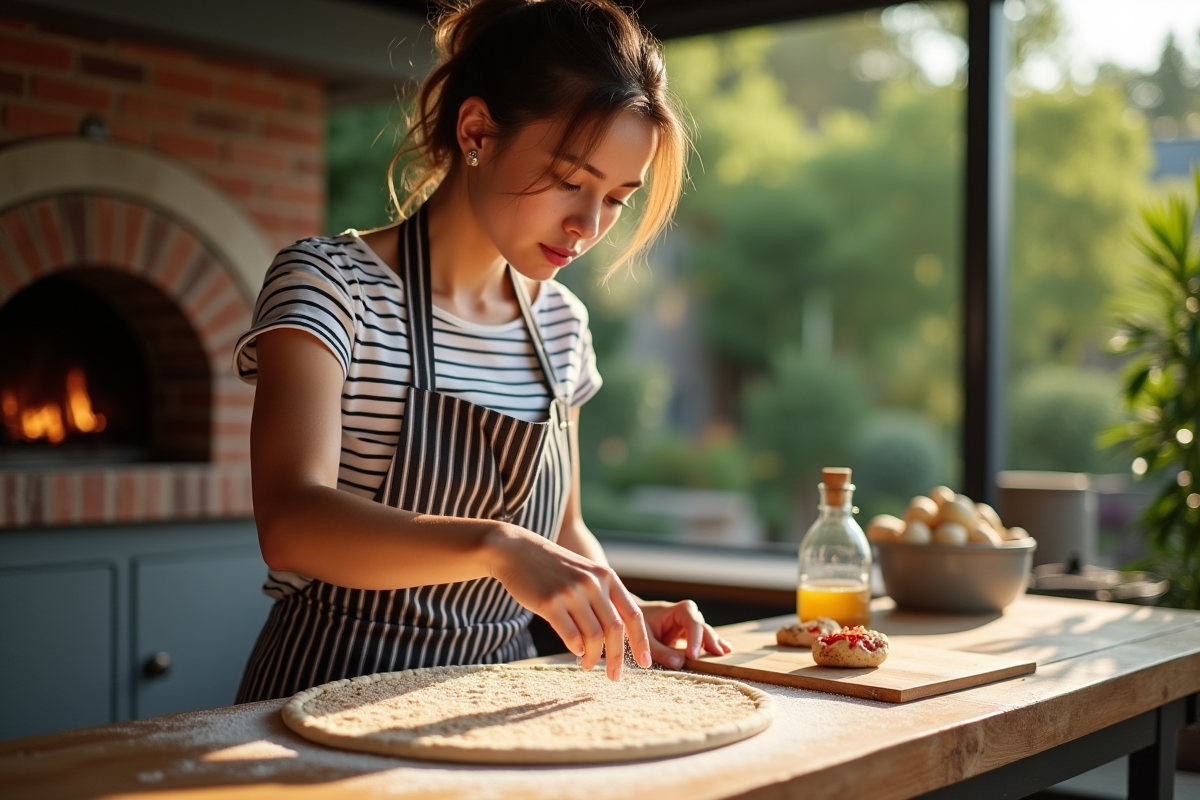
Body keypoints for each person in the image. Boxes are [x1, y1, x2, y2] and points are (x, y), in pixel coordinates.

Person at [233, 0, 731, 704]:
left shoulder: (562, 324)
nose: (589, 226)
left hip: (496, 701)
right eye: (569, 179)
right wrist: (496, 545)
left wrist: (623, 613)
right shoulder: (329, 286)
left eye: (617, 197)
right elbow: (291, 524)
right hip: (324, 689)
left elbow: (562, 527)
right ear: (476, 131)